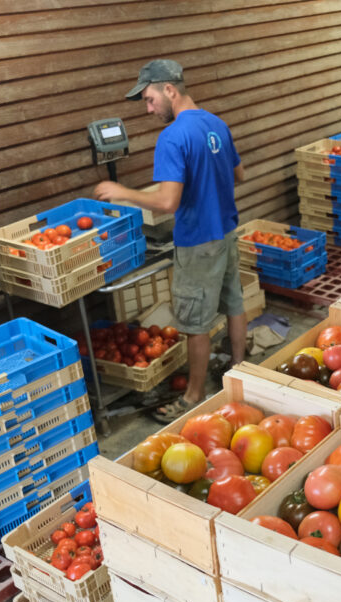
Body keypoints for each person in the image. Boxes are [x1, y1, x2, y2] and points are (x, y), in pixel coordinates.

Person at [94, 59, 247, 423]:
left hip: (197, 241)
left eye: (149, 99)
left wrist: (123, 191)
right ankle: (241, 369)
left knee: (196, 322)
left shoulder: (173, 136)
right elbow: (239, 174)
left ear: (169, 90)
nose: (149, 109)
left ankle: (193, 396)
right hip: (226, 231)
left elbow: (166, 203)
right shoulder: (216, 124)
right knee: (234, 303)